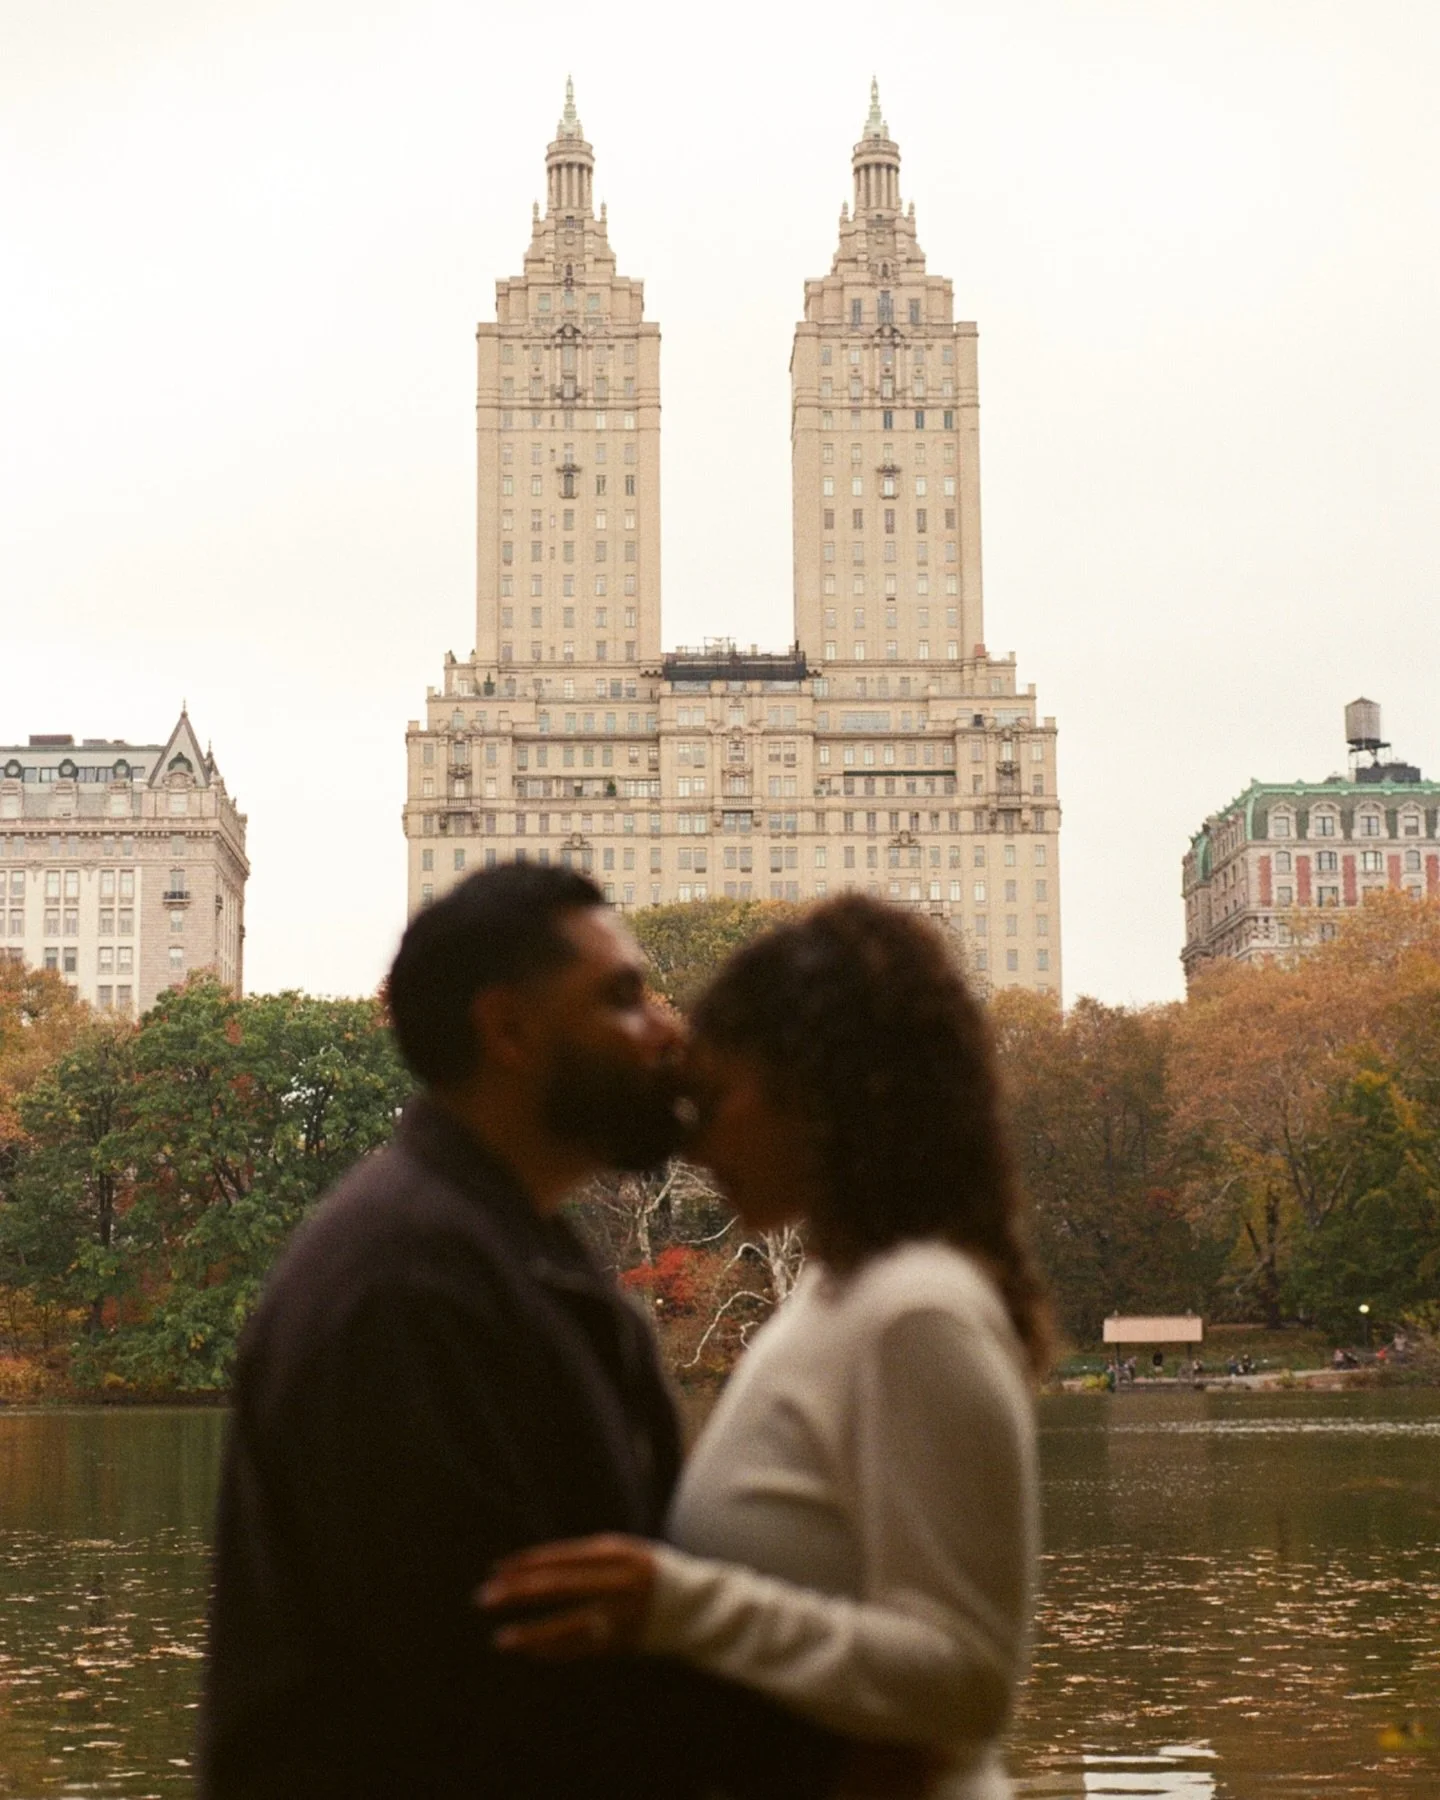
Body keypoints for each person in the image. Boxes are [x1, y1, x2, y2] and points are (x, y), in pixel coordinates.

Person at [197, 865, 848, 1800]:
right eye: (622, 998)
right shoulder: (405, 1288)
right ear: (508, 1029)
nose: (668, 1031)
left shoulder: (516, 1256)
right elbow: (488, 1693)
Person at [481, 896, 1049, 1799]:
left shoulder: (918, 1315)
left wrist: (674, 1606)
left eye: (715, 1098)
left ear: (820, 1088)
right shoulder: (836, 1296)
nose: (696, 1143)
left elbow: (967, 1683)